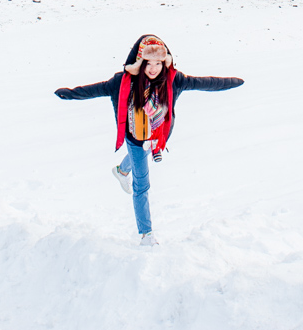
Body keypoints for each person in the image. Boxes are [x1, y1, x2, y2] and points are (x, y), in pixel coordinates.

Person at [54, 33, 243, 246]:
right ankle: (146, 235)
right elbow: (95, 89)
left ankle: (121, 171)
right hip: (135, 138)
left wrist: (231, 82)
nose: (153, 68)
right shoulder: (123, 82)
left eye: (158, 63)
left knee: (143, 153)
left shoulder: (173, 80)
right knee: (142, 184)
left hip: (157, 136)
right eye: (148, 63)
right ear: (139, 63)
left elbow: (205, 83)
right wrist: (69, 94)